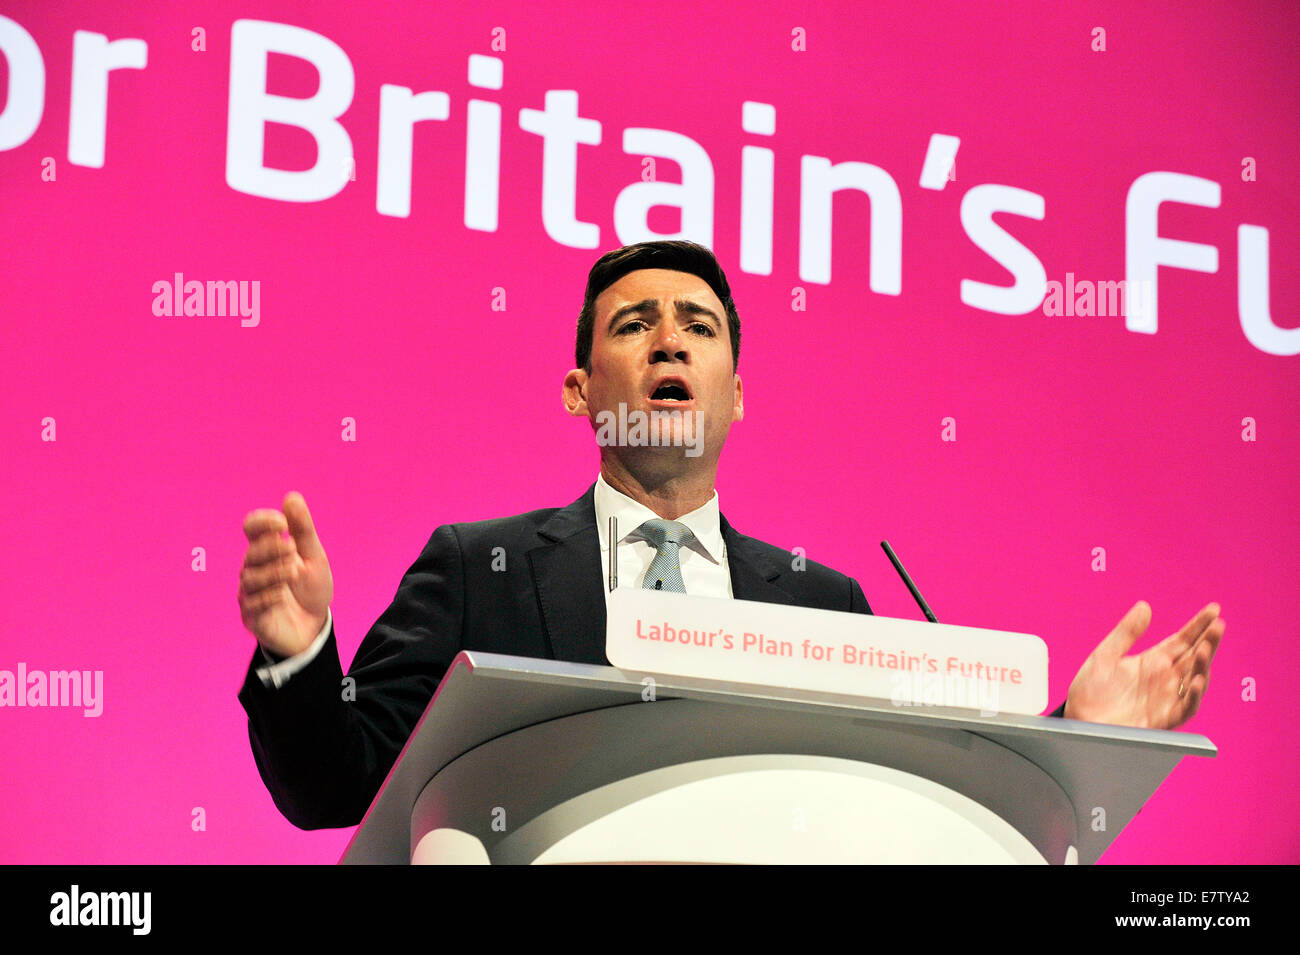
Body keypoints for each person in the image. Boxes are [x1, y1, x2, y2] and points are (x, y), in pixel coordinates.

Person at [236, 240, 1225, 831]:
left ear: (737, 393)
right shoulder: (475, 567)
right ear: (581, 390)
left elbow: (911, 807)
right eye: (634, 325)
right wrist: (300, 655)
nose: (669, 340)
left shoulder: (821, 601)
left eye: (698, 327)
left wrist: (1072, 738)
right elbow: (336, 787)